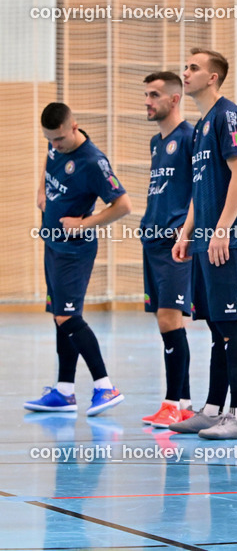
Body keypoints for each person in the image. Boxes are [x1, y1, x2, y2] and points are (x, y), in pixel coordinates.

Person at [169, 48, 237, 441]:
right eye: (185, 67)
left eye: (193, 68)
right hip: (205, 240)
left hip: (226, 241)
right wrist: (188, 231)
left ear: (213, 77)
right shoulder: (201, 124)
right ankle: (211, 410)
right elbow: (199, 186)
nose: (185, 73)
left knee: (231, 324)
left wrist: (222, 229)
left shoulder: (228, 116)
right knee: (215, 326)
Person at [25, 103, 132, 416]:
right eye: (50, 139)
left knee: (68, 317)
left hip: (74, 251)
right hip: (53, 244)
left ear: (74, 126)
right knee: (60, 316)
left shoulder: (93, 162)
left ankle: (105, 386)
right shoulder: (55, 143)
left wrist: (84, 224)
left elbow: (123, 205)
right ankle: (64, 391)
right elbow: (50, 159)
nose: (55, 145)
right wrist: (42, 189)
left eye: (59, 139)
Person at [140, 72, 195, 428]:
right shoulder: (156, 143)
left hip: (175, 242)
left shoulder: (189, 137)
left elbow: (200, 189)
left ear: (174, 99)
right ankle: (183, 402)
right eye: (146, 95)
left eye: (154, 95)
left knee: (170, 318)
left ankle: (172, 402)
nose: (148, 101)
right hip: (152, 240)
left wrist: (185, 232)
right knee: (164, 320)